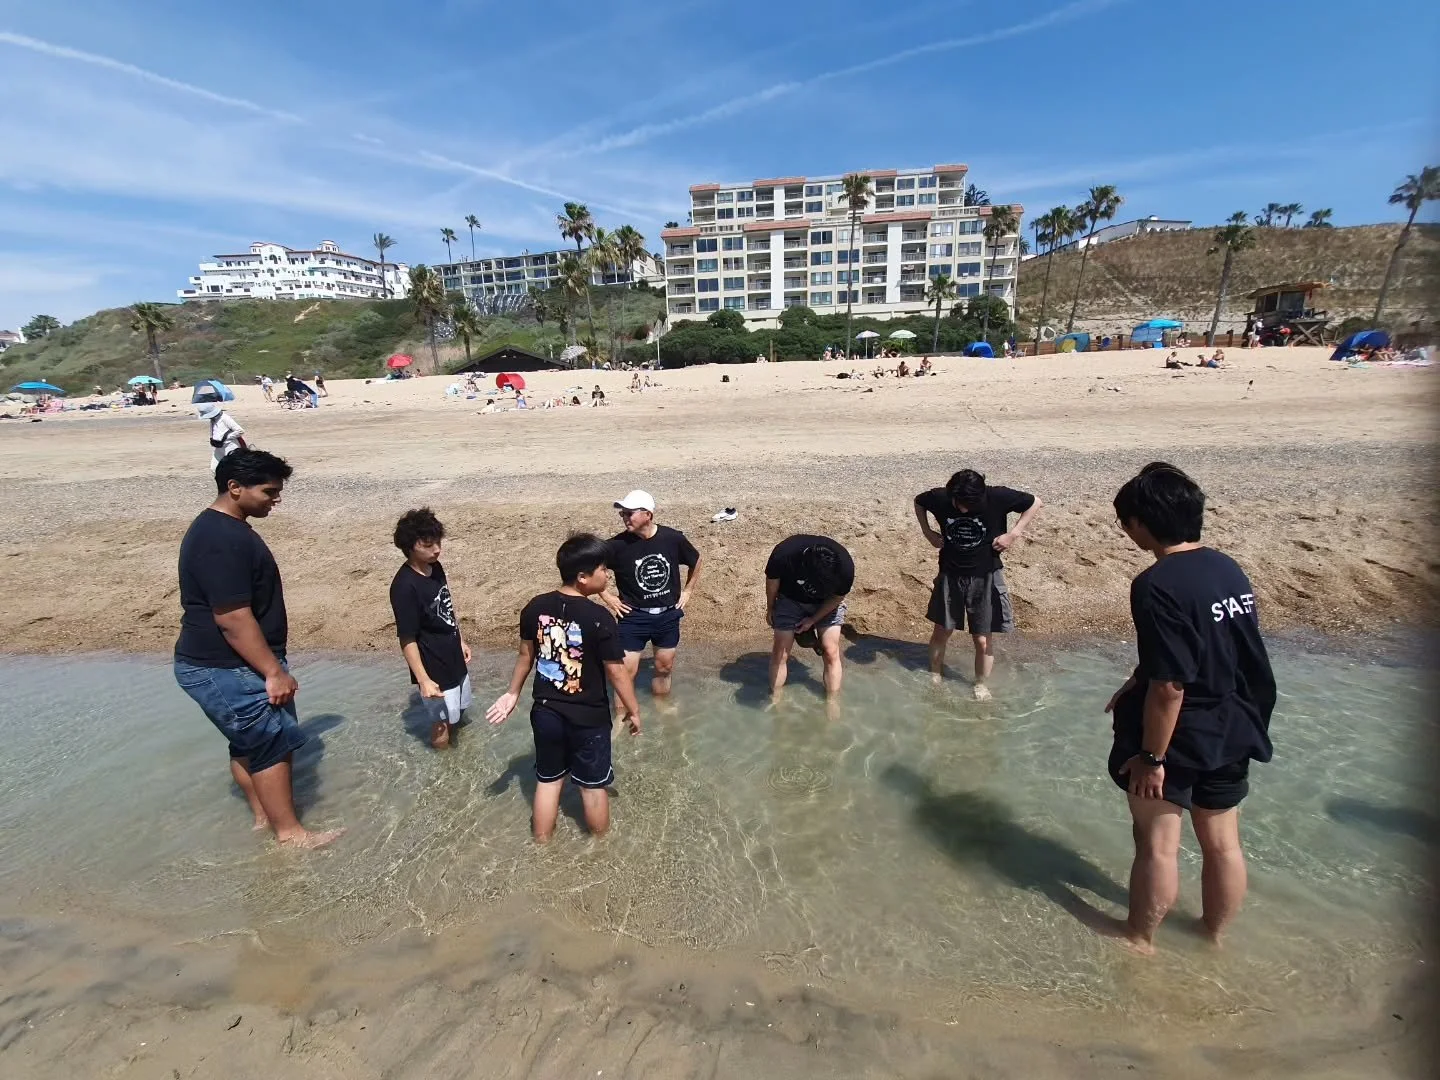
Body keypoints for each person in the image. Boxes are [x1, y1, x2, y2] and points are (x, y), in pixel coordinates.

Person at [1102, 462, 1275, 954]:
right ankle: (1211, 938)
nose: (1126, 531)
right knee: (1223, 844)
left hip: (1179, 733)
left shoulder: (1156, 584)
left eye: (1125, 522)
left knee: (1157, 844)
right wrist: (1135, 680)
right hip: (1234, 723)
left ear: (1141, 523)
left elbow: (1171, 686)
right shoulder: (1226, 567)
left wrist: (1152, 757)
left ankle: (1139, 940)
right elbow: (1215, 646)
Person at [172, 450, 343, 849]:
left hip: (219, 664)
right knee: (270, 743)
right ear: (234, 487)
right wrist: (273, 670)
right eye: (269, 491)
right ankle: (291, 835)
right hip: (228, 666)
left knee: (247, 742)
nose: (275, 500)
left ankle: (264, 817)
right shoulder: (221, 538)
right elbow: (232, 616)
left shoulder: (220, 528)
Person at [485, 534, 641, 842]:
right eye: (602, 569)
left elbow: (525, 656)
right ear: (583, 577)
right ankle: (600, 848)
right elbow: (617, 672)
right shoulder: (600, 618)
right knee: (592, 787)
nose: (607, 574)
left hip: (546, 713)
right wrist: (634, 710)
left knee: (548, 781)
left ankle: (541, 844)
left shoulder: (534, 608)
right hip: (589, 717)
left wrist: (513, 692)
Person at [914, 469, 1042, 699]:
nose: (962, 509)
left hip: (986, 576)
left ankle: (980, 684)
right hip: (950, 574)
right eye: (958, 503)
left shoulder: (997, 497)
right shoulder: (941, 497)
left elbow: (1035, 502)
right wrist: (927, 532)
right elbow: (919, 502)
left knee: (982, 640)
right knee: (942, 631)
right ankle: (935, 673)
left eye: (967, 505)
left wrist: (1014, 534)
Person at [600, 490, 701, 700]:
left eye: (629, 513)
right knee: (626, 673)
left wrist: (689, 590)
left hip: (667, 615)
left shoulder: (673, 539)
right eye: (622, 514)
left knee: (664, 668)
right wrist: (607, 597)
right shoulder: (616, 546)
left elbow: (696, 560)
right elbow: (588, 568)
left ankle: (662, 710)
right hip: (632, 616)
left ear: (648, 514)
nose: (624, 517)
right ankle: (622, 717)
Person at [389, 508, 472, 750]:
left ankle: (459, 751)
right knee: (440, 723)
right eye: (428, 544)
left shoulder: (435, 567)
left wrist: (461, 640)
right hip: (433, 664)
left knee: (458, 711)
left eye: (437, 542)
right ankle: (446, 767)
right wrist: (423, 680)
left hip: (452, 654)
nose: (437, 549)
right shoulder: (404, 587)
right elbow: (407, 638)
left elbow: (447, 607)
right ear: (410, 546)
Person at [764, 535, 854, 704]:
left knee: (830, 650)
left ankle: (833, 702)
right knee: (780, 653)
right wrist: (771, 608)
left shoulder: (845, 567)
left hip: (826, 603)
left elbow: (837, 598)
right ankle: (775, 699)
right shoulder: (784, 554)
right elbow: (772, 580)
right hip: (790, 600)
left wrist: (813, 620)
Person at [198, 401, 246, 474]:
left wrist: (227, 438)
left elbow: (240, 431)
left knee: (234, 468)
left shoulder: (225, 418)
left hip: (230, 446)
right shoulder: (212, 420)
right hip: (219, 447)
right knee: (214, 468)